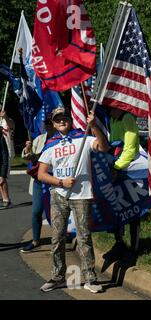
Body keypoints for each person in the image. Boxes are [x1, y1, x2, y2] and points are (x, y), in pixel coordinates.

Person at [37, 107, 109, 293]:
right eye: (57, 119)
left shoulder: (82, 138)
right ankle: (57, 276)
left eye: (65, 118)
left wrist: (93, 127)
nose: (62, 121)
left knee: (84, 236)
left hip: (82, 196)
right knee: (57, 238)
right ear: (53, 123)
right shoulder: (50, 144)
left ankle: (90, 279)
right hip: (59, 196)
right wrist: (61, 182)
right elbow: (41, 174)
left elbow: (103, 147)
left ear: (70, 119)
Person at [106, 108, 141, 254]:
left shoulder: (127, 118)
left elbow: (130, 148)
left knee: (132, 208)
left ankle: (134, 246)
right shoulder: (112, 119)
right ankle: (119, 242)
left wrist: (116, 167)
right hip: (116, 166)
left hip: (129, 169)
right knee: (117, 206)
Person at [20, 117, 56, 252]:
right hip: (39, 181)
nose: (49, 125)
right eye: (46, 123)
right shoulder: (40, 139)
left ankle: (60, 240)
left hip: (56, 181)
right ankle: (35, 240)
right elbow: (28, 157)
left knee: (57, 213)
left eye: (51, 123)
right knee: (36, 211)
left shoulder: (63, 139)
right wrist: (28, 149)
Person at [0, 110, 14, 209]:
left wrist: (5, 117)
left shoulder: (6, 121)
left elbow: (11, 125)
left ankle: (6, 200)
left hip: (7, 151)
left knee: (2, 177)